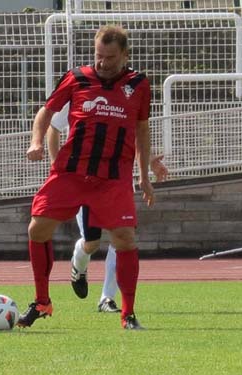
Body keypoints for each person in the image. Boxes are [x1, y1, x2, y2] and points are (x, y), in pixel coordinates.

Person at [18, 25, 154, 330]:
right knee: (37, 228)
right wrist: (35, 141)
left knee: (125, 238)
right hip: (72, 171)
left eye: (111, 57)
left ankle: (127, 314)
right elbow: (46, 112)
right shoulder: (77, 77)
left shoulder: (139, 85)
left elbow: (142, 131)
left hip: (113, 177)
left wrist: (144, 176)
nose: (103, 63)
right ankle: (42, 302)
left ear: (125, 55)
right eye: (99, 56)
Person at [47, 106, 168, 312]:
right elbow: (54, 128)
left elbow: (137, 133)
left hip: (117, 181)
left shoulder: (126, 95)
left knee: (121, 237)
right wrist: (59, 169)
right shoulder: (80, 90)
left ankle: (107, 298)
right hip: (84, 181)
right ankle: (79, 262)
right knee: (91, 243)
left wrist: (149, 163)